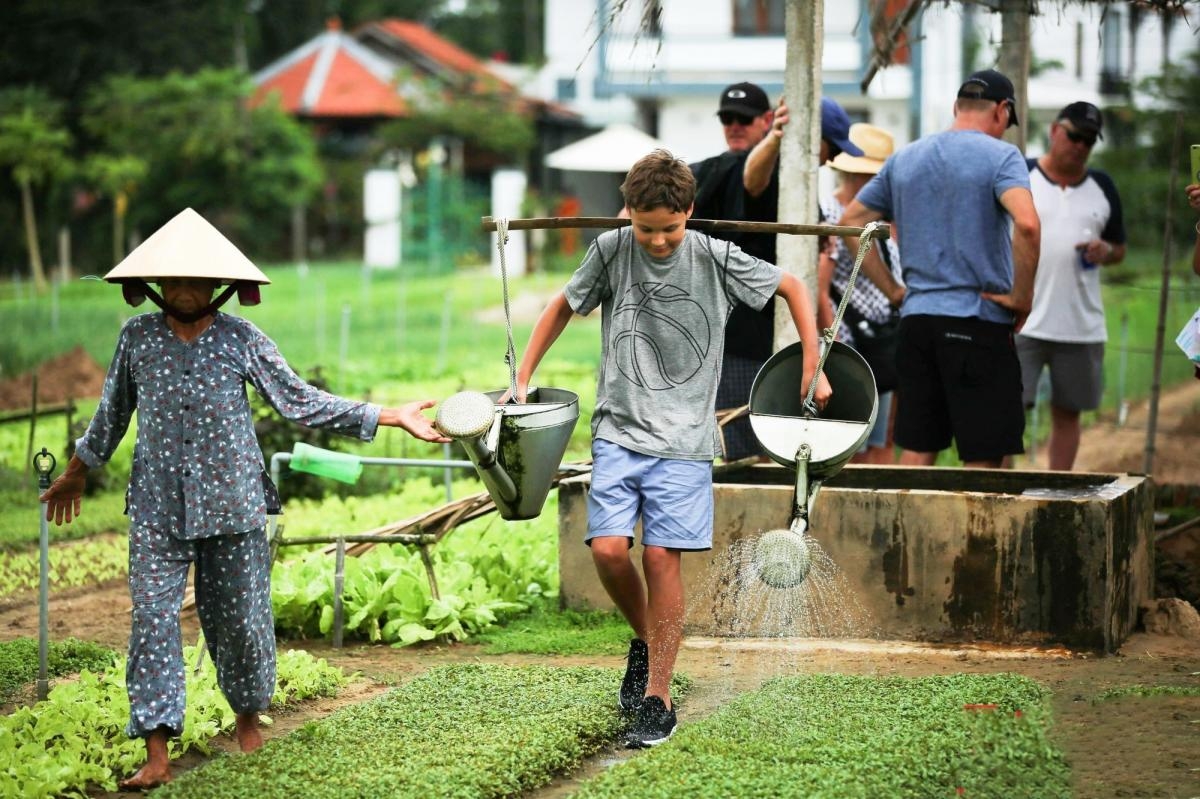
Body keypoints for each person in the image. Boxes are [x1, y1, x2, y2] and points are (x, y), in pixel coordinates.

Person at [39, 208, 449, 790]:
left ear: (218, 285)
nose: (183, 290)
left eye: (196, 280)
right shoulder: (137, 338)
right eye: (173, 280)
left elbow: (298, 401)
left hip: (233, 503)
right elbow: (112, 414)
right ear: (155, 285)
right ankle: (157, 750)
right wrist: (79, 469)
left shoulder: (241, 339)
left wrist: (389, 415)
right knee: (152, 621)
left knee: (239, 620)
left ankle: (248, 722)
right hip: (156, 506)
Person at [510, 150, 830, 748]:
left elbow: (791, 286)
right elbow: (561, 305)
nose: (657, 241)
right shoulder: (611, 250)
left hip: (683, 442)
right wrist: (522, 375)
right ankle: (649, 639)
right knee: (607, 552)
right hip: (618, 431)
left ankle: (658, 696)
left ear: (690, 213)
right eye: (645, 227)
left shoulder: (713, 255)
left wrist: (813, 360)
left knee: (661, 560)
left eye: (669, 229)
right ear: (627, 213)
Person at [838, 69, 1041, 468]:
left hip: (917, 324)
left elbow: (851, 220)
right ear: (1002, 111)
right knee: (983, 455)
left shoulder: (905, 158)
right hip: (977, 319)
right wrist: (1022, 296)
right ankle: (975, 534)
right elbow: (1029, 224)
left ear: (956, 107)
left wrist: (893, 290)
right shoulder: (1002, 157)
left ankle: (908, 533)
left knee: (916, 446)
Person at [1016, 102, 1126, 470]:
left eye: (1090, 140)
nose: (1080, 146)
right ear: (1054, 131)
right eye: (1075, 136)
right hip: (1021, 321)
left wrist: (1105, 250)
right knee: (1006, 414)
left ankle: (1056, 494)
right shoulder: (1021, 175)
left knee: (1069, 415)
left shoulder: (1103, 186)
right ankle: (998, 496)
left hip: (1080, 325)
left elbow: (1120, 248)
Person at [688, 82, 777, 460]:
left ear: (766, 121)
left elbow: (753, 180)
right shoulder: (704, 172)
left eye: (745, 118)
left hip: (758, 335)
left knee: (757, 447)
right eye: (728, 118)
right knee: (723, 449)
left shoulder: (779, 176)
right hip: (710, 335)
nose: (735, 125)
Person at [817, 123, 904, 464]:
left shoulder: (880, 219)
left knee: (880, 440)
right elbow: (820, 288)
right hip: (849, 342)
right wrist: (833, 339)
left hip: (880, 343)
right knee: (851, 445)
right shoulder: (830, 216)